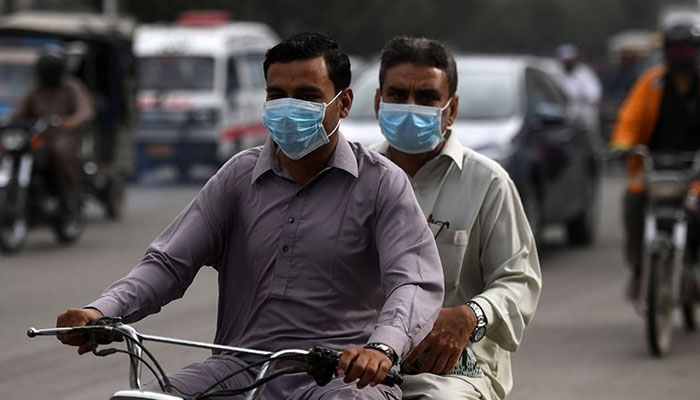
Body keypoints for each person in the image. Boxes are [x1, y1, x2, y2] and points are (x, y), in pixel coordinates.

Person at [54, 32, 444, 399]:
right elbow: (169, 264)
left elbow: (413, 280)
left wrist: (381, 348)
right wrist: (103, 310)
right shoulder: (238, 176)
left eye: (307, 96)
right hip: (237, 369)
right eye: (278, 95)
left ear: (343, 103)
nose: (289, 107)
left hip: (341, 378)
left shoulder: (381, 183)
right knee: (148, 397)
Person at [369, 37, 542, 400]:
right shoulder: (356, 175)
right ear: (377, 103)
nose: (410, 107)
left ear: (451, 109)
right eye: (398, 95)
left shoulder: (488, 182)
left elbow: (519, 279)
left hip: (451, 365)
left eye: (427, 97)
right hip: (361, 358)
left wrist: (470, 315)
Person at [610, 22, 700, 299]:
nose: (680, 55)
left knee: (697, 209)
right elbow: (630, 118)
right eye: (676, 49)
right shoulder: (651, 82)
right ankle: (639, 268)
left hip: (696, 170)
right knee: (633, 200)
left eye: (686, 48)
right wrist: (622, 144)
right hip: (655, 167)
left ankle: (693, 268)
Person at [8, 47, 94, 218]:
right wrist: (7, 122)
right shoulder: (35, 89)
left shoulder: (71, 87)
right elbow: (19, 111)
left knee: (60, 150)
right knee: (13, 149)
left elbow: (85, 111)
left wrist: (72, 121)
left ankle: (68, 197)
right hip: (38, 137)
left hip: (64, 136)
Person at [555, 43, 603, 137]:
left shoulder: (584, 73)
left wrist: (591, 100)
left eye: (570, 60)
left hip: (585, 112)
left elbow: (593, 93)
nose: (568, 63)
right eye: (565, 60)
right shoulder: (558, 73)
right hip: (566, 113)